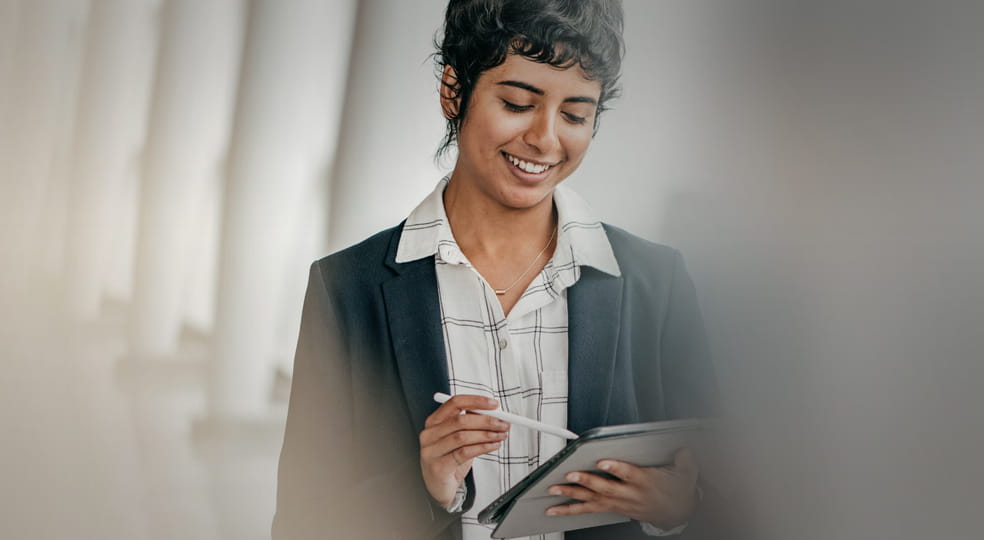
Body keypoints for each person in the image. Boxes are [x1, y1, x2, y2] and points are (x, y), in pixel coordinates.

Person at [271, 1, 719, 539]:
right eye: (516, 102)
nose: (546, 139)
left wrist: (679, 511)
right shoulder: (348, 289)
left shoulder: (656, 283)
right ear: (453, 91)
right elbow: (302, 522)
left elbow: (732, 492)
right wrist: (423, 487)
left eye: (575, 114)